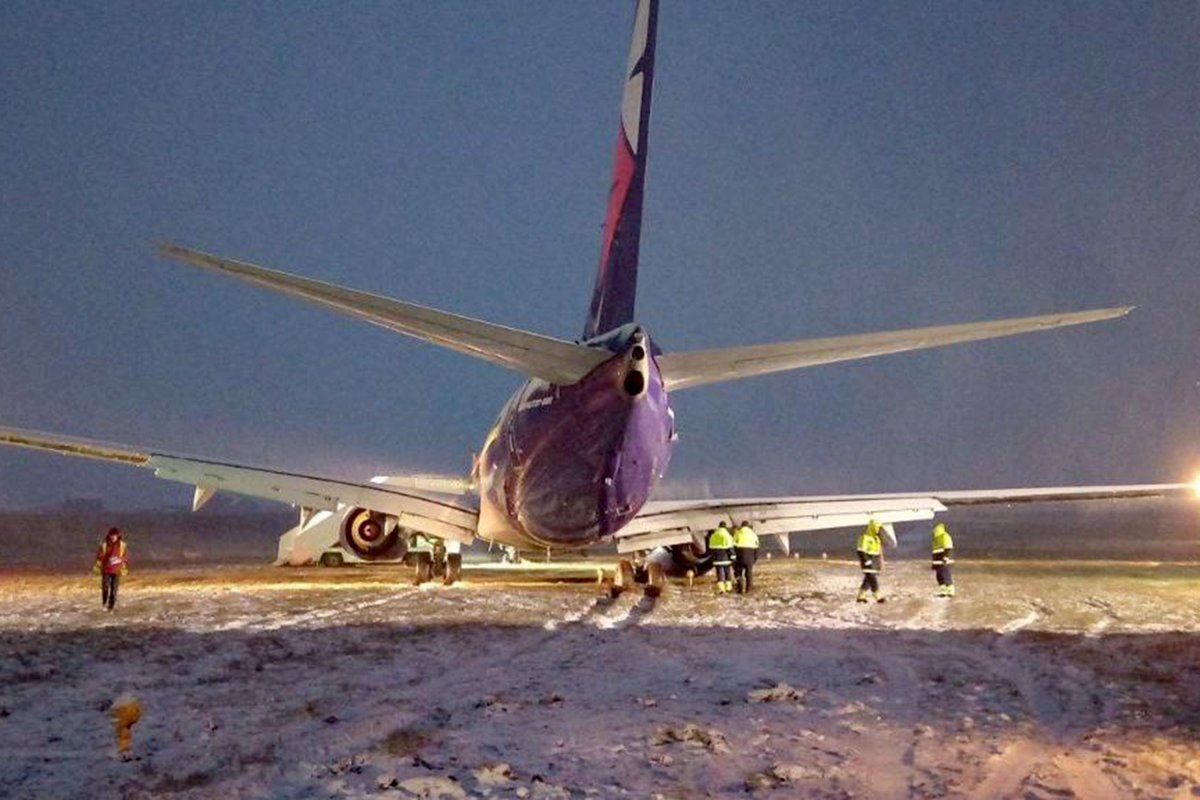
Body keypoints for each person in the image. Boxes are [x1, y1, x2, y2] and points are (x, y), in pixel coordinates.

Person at [93, 527, 128, 611]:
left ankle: (111, 607)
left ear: (118, 536)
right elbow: (99, 556)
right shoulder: (104, 544)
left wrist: (120, 559)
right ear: (109, 536)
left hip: (117, 569)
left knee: (114, 589)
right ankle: (104, 603)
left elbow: (125, 557)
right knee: (105, 587)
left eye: (115, 536)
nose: (113, 537)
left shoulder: (122, 545)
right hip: (106, 569)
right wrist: (105, 559)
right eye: (112, 535)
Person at [855, 518, 886, 603]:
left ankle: (861, 595)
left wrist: (880, 562)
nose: (879, 530)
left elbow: (879, 552)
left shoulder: (876, 539)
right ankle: (878, 596)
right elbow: (860, 551)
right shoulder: (865, 537)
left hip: (874, 561)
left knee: (868, 578)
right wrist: (866, 561)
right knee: (872, 578)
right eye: (878, 528)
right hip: (867, 562)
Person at [732, 520, 760, 594]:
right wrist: (755, 559)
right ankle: (749, 589)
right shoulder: (753, 534)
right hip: (750, 556)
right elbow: (757, 547)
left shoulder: (738, 533)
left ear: (742, 526)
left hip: (740, 555)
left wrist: (734, 558)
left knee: (738, 573)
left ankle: (740, 588)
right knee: (749, 574)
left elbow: (733, 545)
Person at [708, 522, 735, 594]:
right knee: (727, 573)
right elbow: (730, 548)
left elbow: (711, 548)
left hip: (717, 559)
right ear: (725, 527)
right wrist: (733, 557)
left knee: (720, 574)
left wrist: (713, 557)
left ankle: (721, 589)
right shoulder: (727, 535)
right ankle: (728, 588)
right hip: (726, 558)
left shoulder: (714, 535)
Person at [931, 522, 955, 597]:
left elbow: (948, 547)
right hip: (938, 561)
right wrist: (934, 563)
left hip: (944, 560)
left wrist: (946, 557)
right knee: (939, 576)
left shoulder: (944, 536)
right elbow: (935, 551)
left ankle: (950, 590)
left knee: (945, 575)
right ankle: (943, 590)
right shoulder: (936, 539)